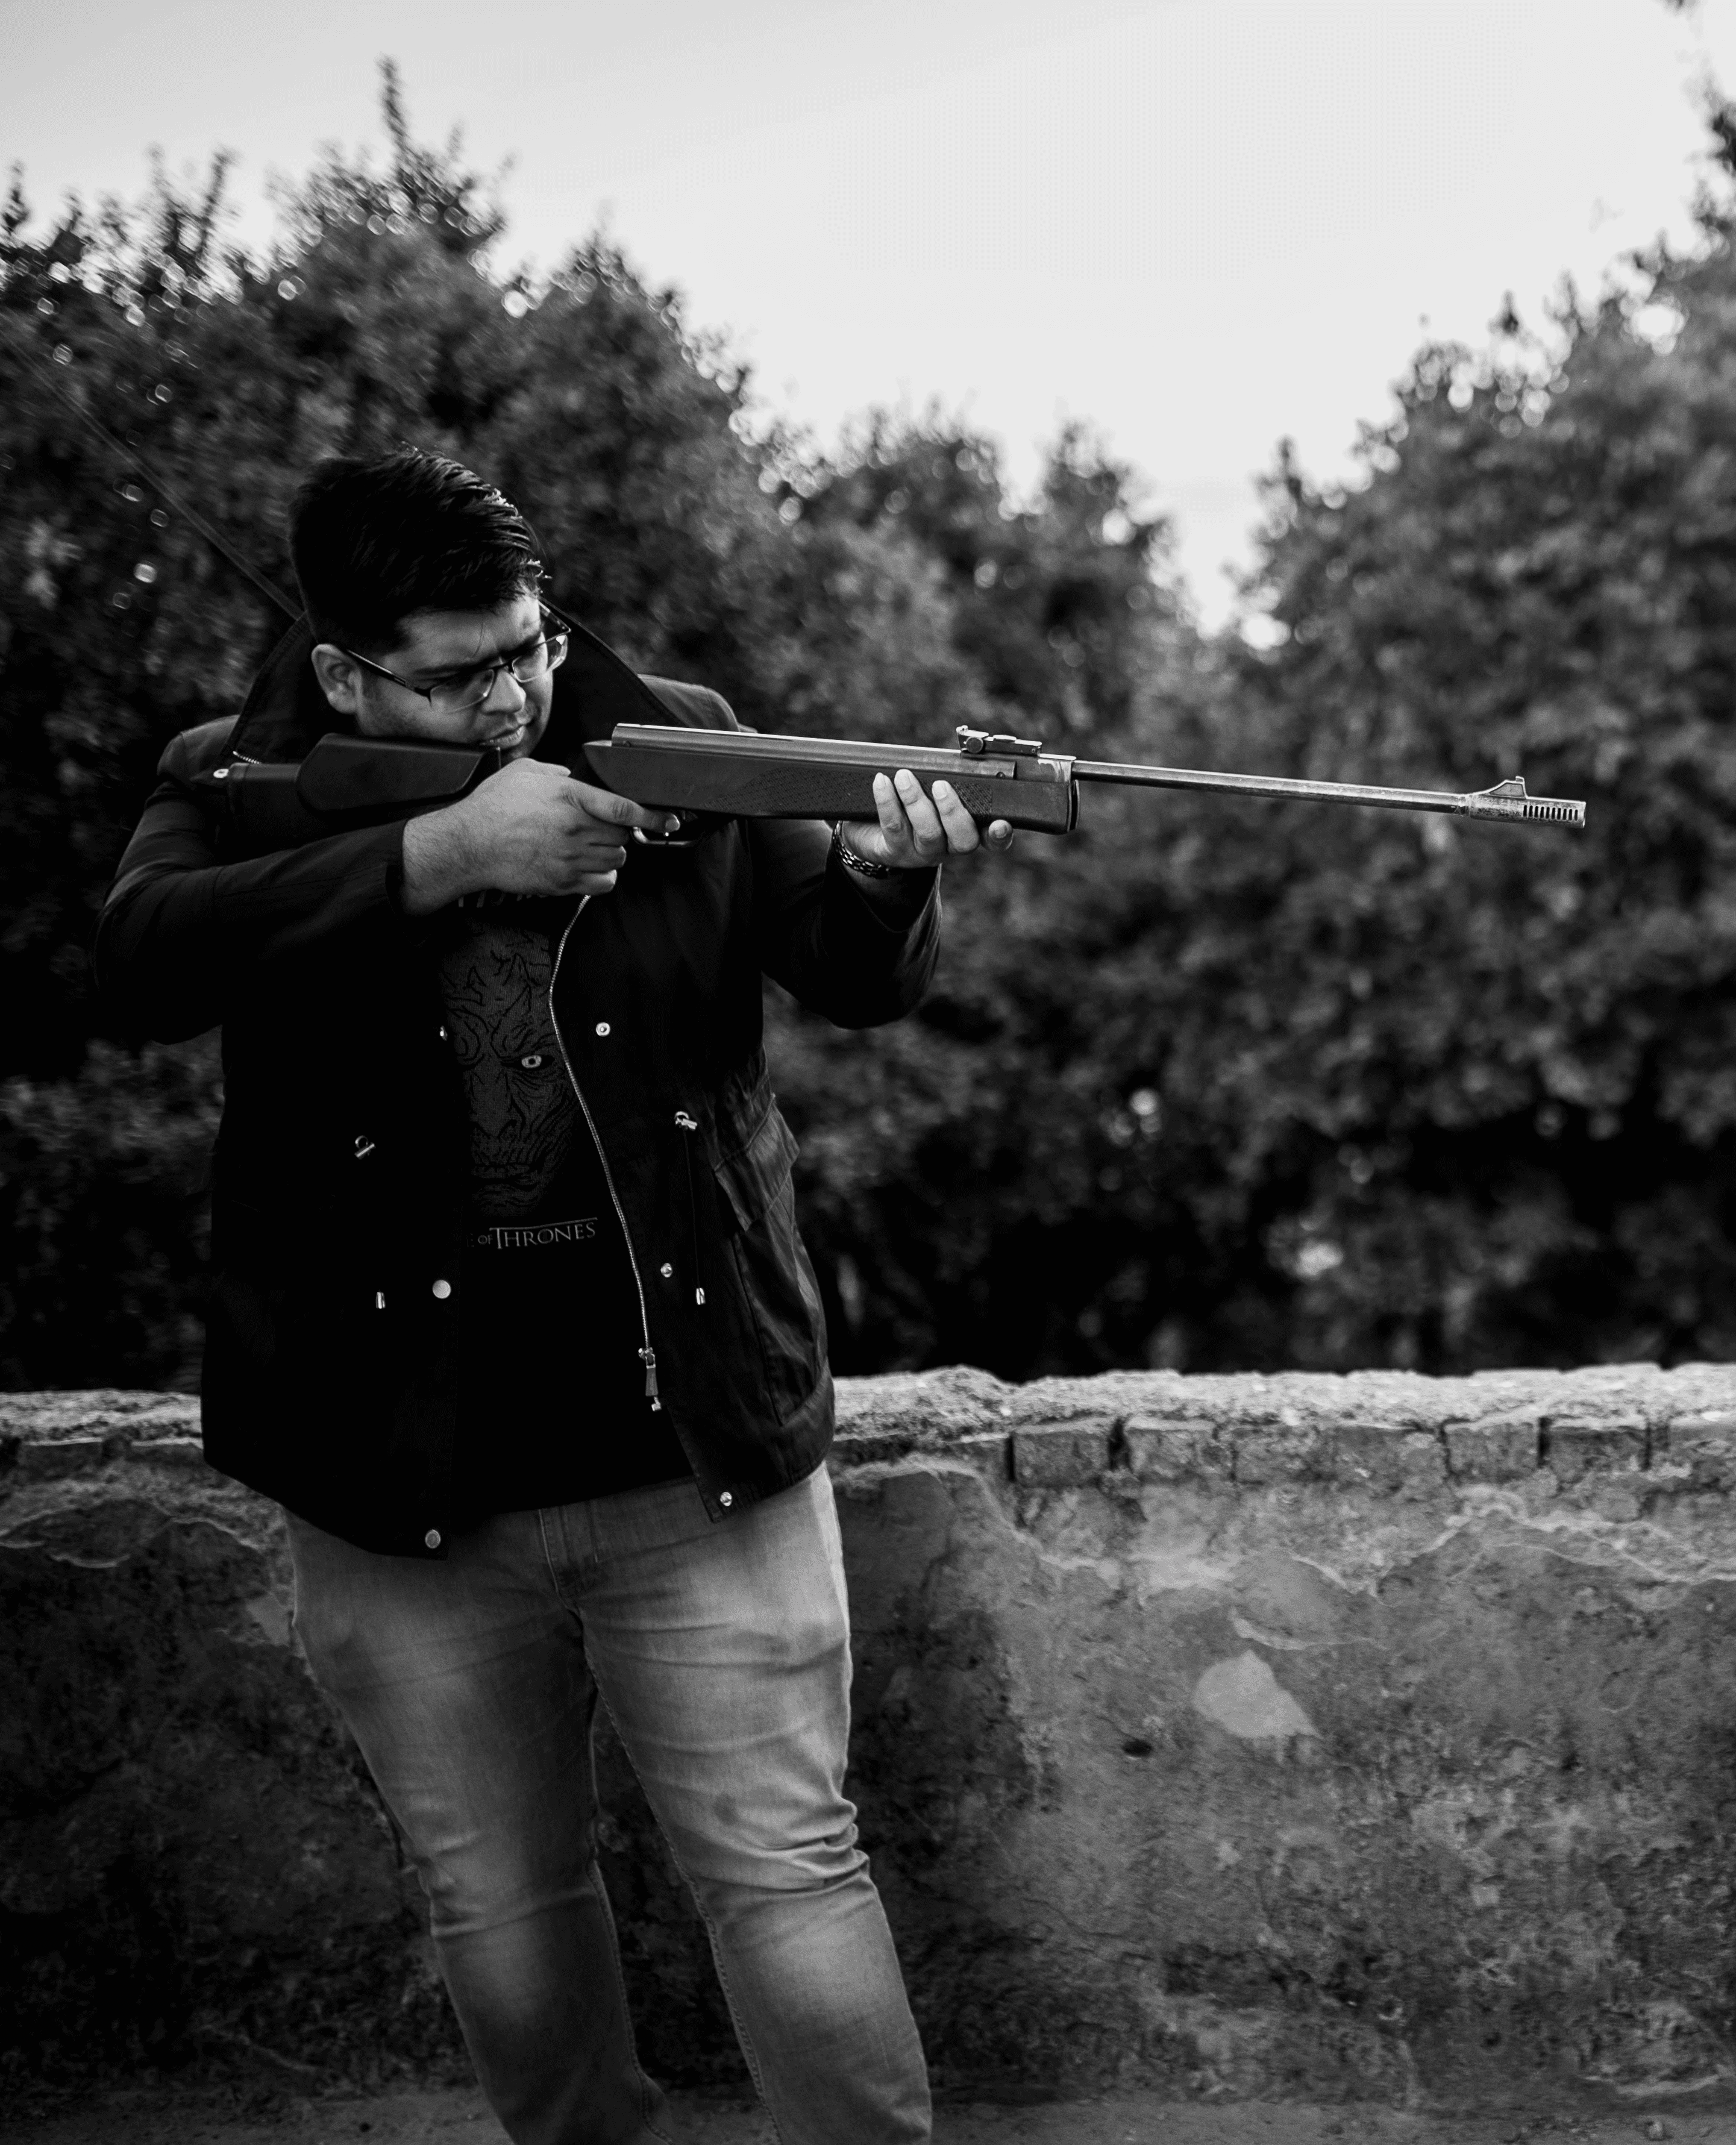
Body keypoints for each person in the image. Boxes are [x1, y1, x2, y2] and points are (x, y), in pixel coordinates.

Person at [94, 448, 1011, 2145]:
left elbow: (849, 966)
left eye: (527, 645)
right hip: (392, 1472)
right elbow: (134, 960)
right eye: (457, 675)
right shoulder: (227, 782)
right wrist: (436, 854)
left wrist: (893, 873)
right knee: (500, 1908)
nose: (514, 695)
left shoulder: (684, 737)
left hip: (693, 1443)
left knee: (792, 1876)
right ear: (343, 674)